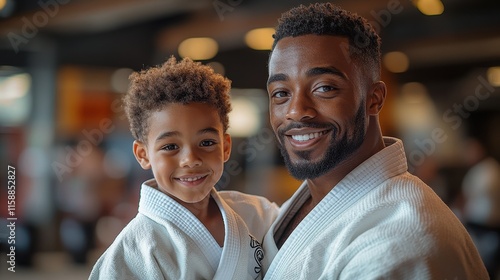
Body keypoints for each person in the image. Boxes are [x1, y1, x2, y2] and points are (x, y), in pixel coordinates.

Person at [262, 3, 488, 279]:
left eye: (324, 88)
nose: (296, 111)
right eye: (281, 93)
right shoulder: (306, 201)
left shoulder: (397, 243)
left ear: (374, 99)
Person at [89, 56, 279, 280]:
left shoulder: (258, 214)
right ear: (143, 154)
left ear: (226, 147)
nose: (190, 159)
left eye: (207, 143)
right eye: (170, 146)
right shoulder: (134, 251)